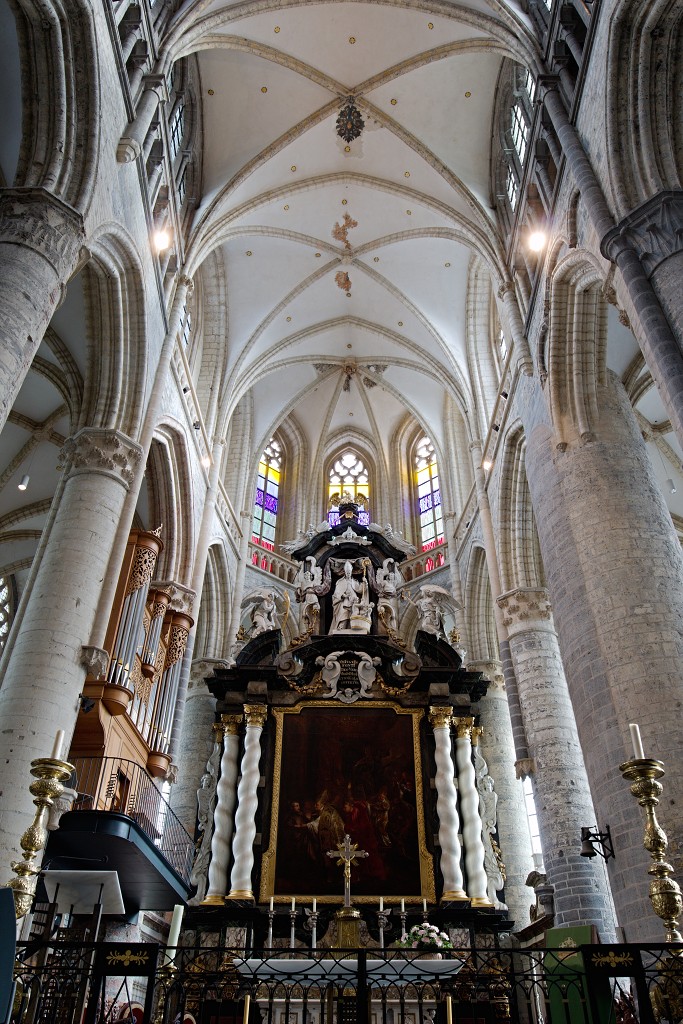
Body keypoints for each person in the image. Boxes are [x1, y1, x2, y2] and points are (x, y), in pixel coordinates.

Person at [329, 561, 362, 632]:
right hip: (344, 601)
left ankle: (353, 628)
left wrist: (365, 584)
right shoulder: (340, 582)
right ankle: (341, 627)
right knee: (343, 612)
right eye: (347, 573)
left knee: (354, 613)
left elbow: (360, 591)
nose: (348, 574)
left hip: (353, 601)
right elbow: (336, 594)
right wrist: (343, 595)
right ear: (345, 572)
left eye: (349, 573)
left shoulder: (355, 582)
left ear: (351, 572)